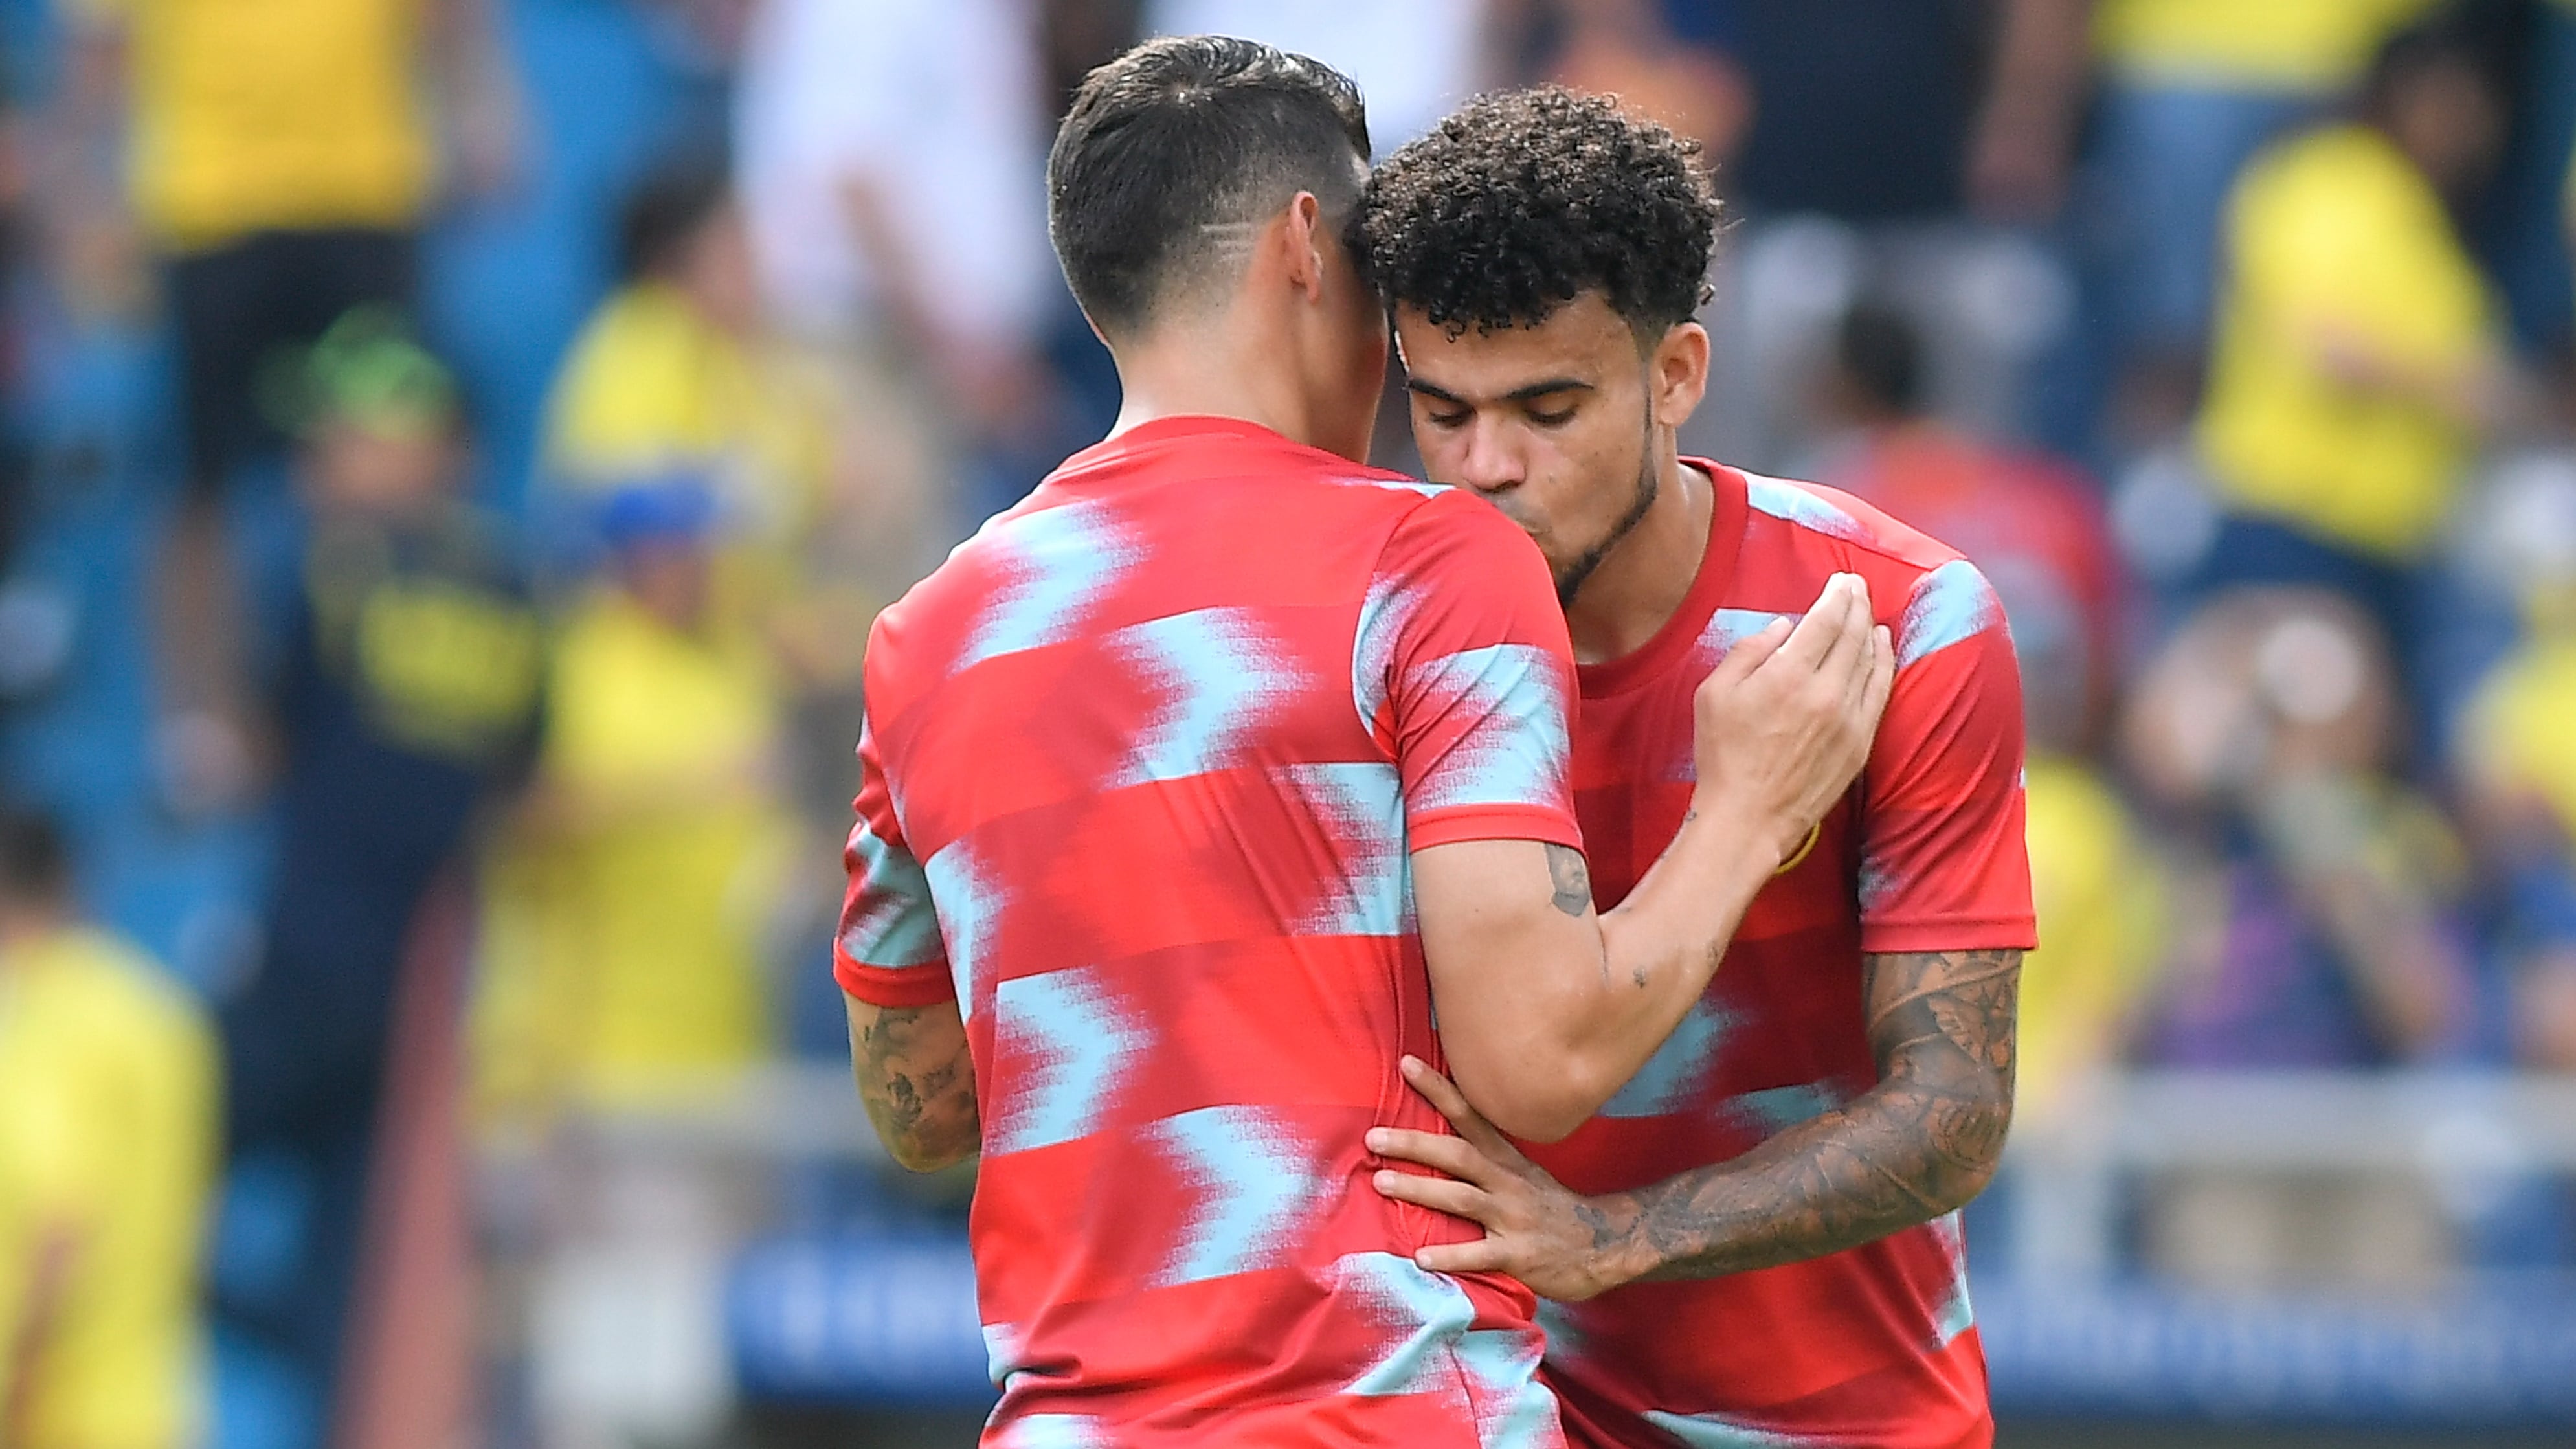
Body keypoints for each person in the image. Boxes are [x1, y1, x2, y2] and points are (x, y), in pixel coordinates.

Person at [834, 36, 1892, 1447]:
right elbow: (1537, 1058)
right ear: (1301, 247)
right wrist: (1745, 816)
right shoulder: (1432, 558)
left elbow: (918, 1109)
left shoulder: (930, 633)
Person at [1357, 88, 2034, 1449]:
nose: (1487, 467)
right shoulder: (1357, 641)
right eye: (1442, 411)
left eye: (1548, 408)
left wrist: (1613, 1238)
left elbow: (1955, 1110)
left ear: (1676, 375)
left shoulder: (1897, 621)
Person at [54, 0, 519, 813]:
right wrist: (88, 202)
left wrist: (486, 114)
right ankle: (199, 729)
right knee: (200, 479)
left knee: (394, 457)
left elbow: (453, 20)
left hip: (365, 191)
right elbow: (100, 52)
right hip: (208, 206)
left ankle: (397, 688)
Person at [216, 308, 543, 1434]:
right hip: (422, 1005)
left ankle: (229, 1310)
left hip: (306, 965)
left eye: (340, 436)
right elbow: (519, 781)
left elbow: (257, 746)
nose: (318, 462)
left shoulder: (333, 565)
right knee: (351, 1297)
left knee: (150, 1144)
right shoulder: (510, 589)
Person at [2190, 16, 2521, 684]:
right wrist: (2461, 387)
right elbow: (2328, 347)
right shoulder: (2330, 183)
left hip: (2388, 539)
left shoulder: (2418, 211)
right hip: (2296, 521)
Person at [0, 809, 218, 1449]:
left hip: (58, 1416)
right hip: (154, 1405)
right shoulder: (162, 1011)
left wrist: (15, 1399)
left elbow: (57, 1223)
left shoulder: (47, 1013)